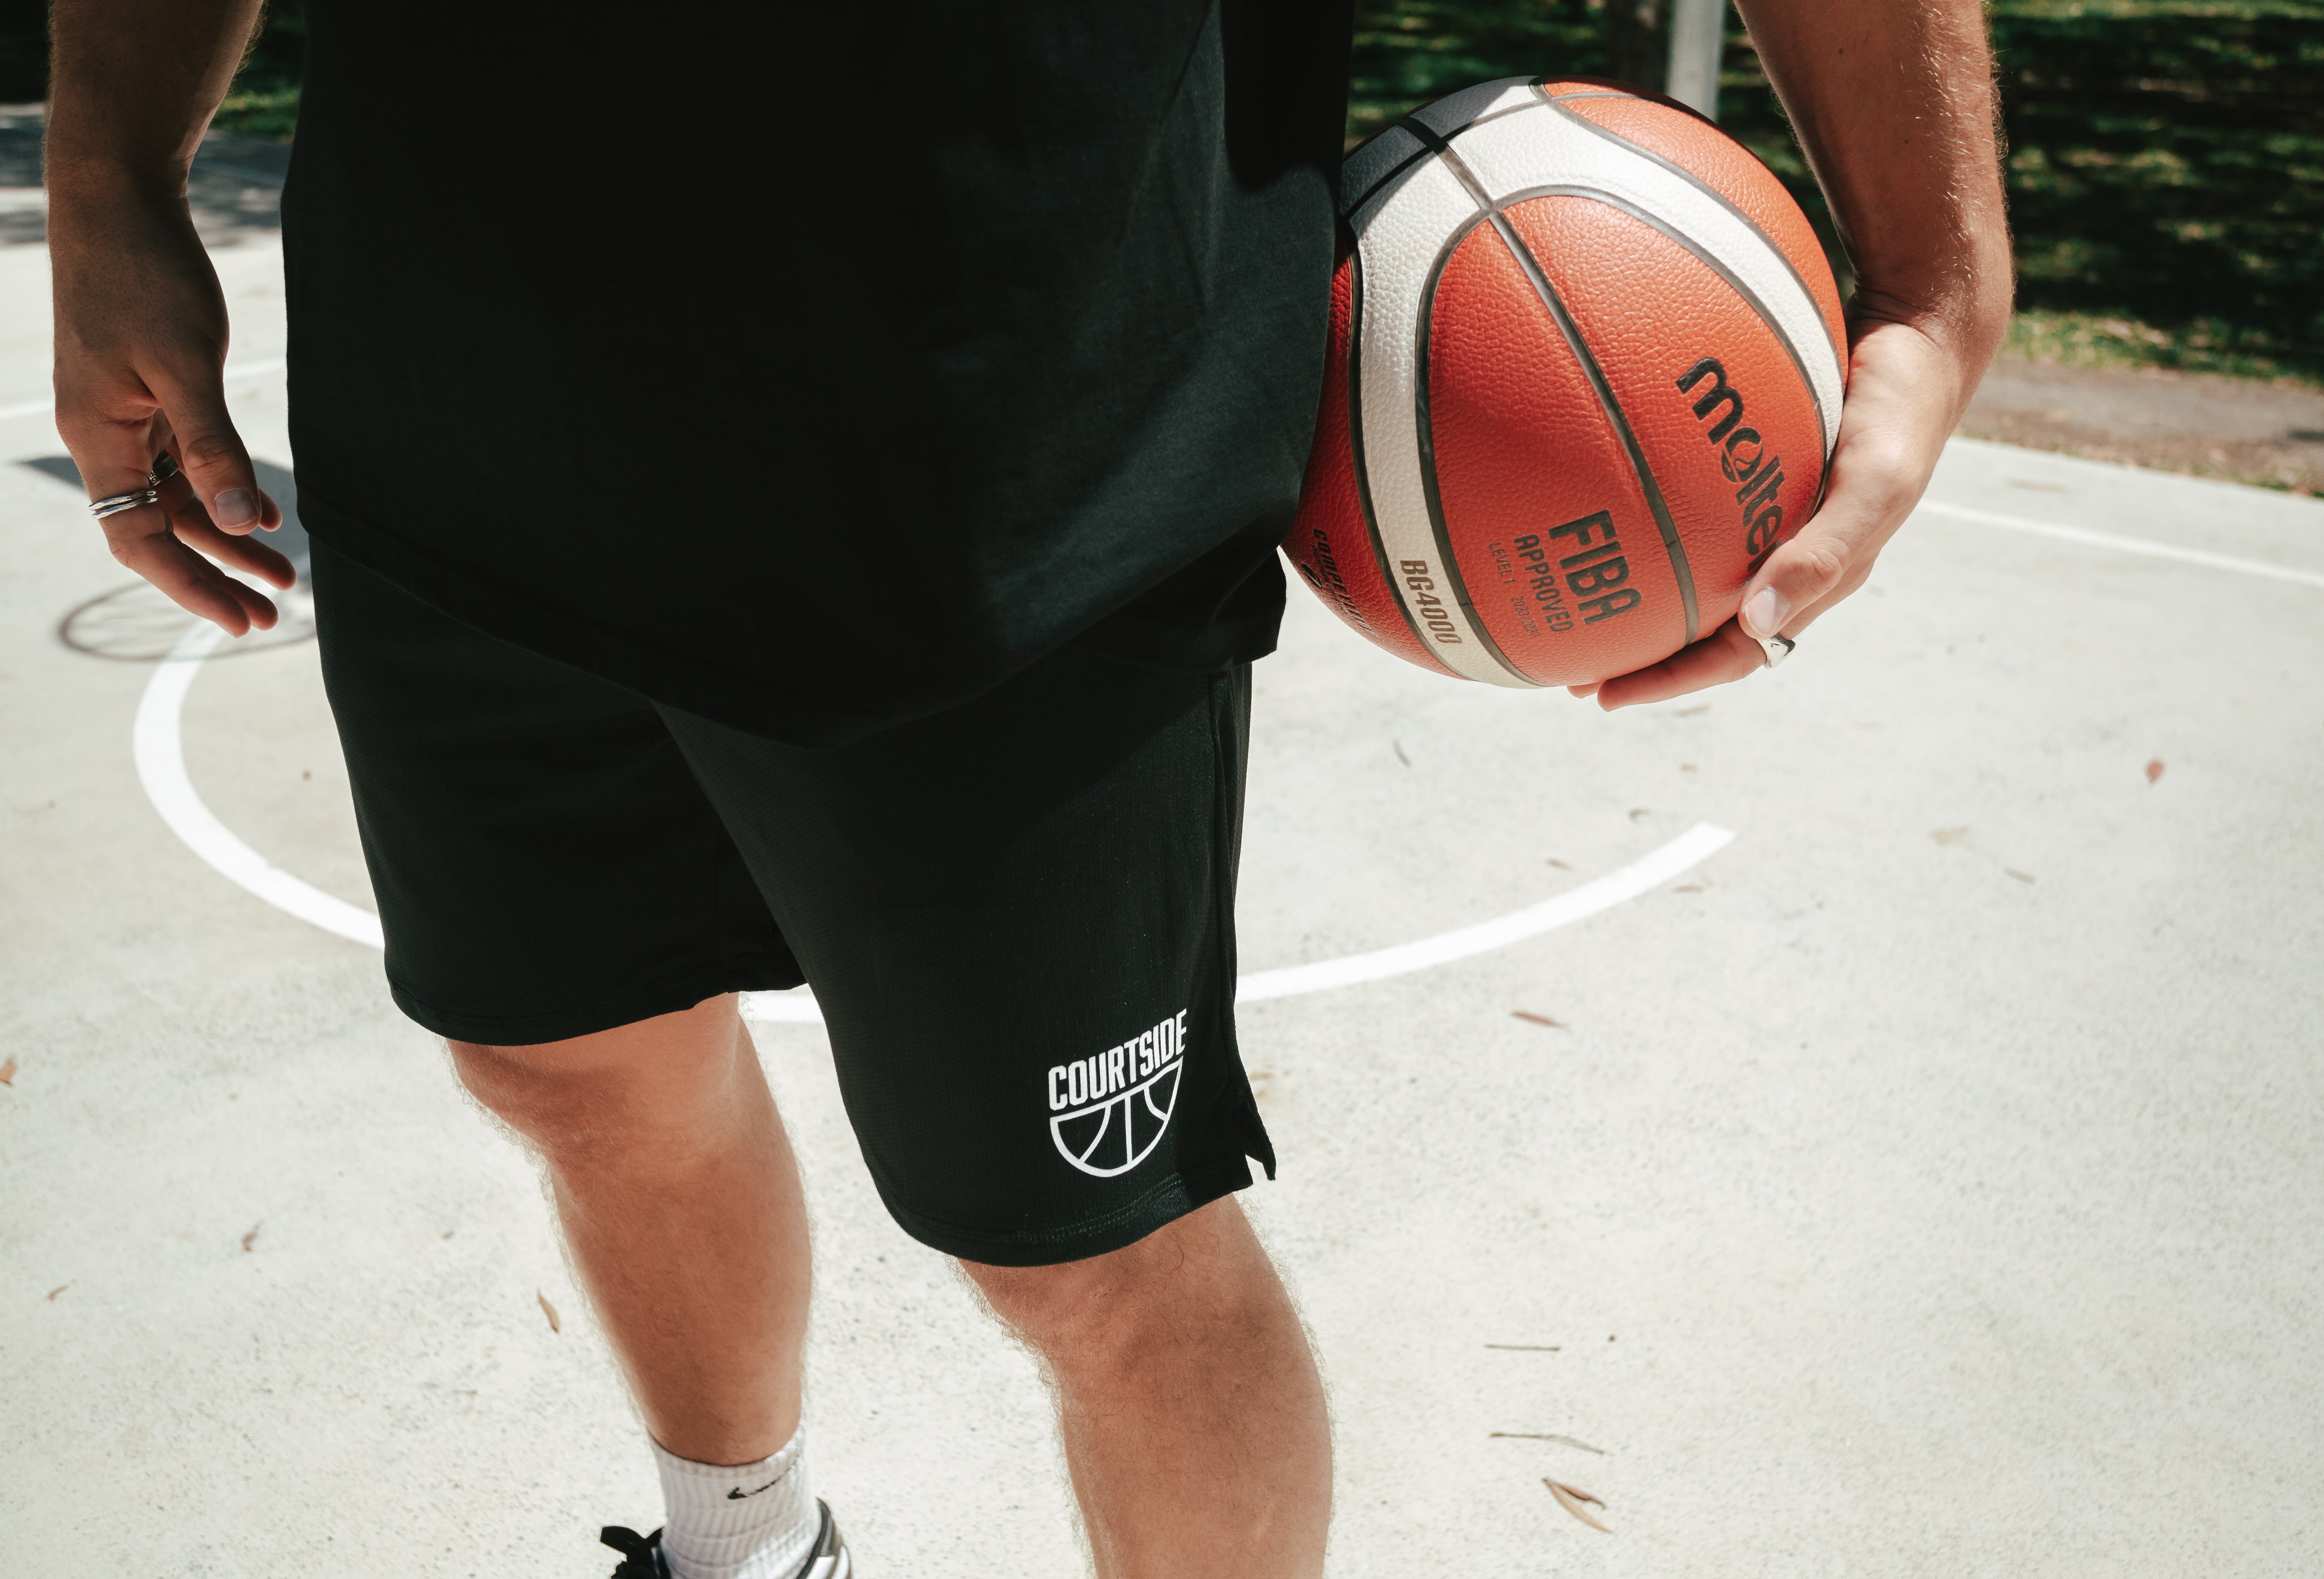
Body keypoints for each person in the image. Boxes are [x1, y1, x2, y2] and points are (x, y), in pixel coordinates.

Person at [46, 0, 2011, 1573]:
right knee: (567, 1057)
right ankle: (747, 1550)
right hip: (458, 349)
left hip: (1016, 430)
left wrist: (1931, 262)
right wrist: (112, 151)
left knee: (1093, 1246)